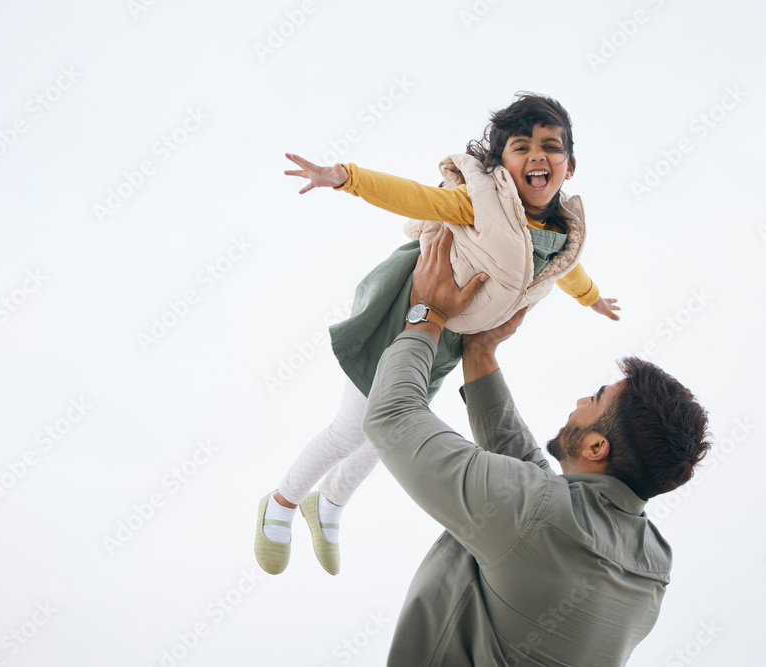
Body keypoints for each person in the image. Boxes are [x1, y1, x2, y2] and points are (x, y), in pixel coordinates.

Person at [256, 93, 621, 576]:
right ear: (502, 164)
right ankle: (280, 502)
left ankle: (328, 507)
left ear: (568, 166)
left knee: (389, 431)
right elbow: (417, 197)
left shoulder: (558, 233)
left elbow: (564, 270)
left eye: (551, 147)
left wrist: (592, 297)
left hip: (442, 337)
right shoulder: (480, 205)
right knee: (354, 426)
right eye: (520, 146)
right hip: (405, 315)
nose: (537, 155)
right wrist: (347, 178)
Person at [362, 226, 712, 666]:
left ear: (597, 447)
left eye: (597, 398)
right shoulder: (651, 566)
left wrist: (427, 314)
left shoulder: (539, 516)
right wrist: (482, 352)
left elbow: (392, 417)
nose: (582, 400)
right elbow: (538, 495)